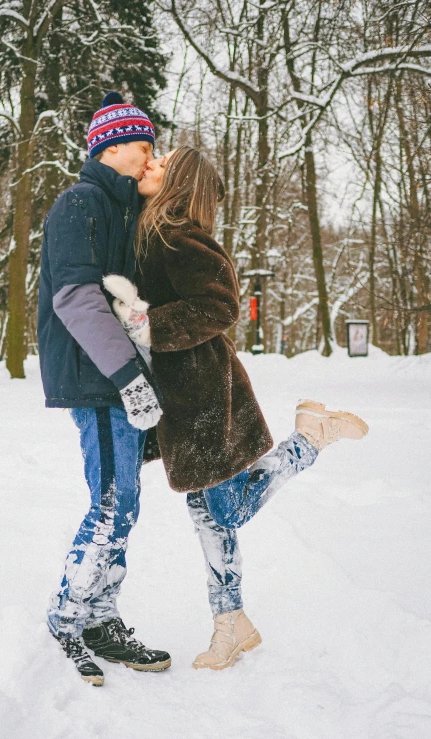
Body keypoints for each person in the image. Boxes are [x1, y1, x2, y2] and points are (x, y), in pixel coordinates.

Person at [104, 145, 368, 672]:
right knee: (209, 515)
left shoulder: (180, 236)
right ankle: (232, 626)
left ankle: (309, 440)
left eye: (161, 163)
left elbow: (220, 305)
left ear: (179, 182)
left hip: (202, 396)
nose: (148, 166)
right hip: (183, 399)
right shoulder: (151, 229)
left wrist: (148, 325)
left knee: (224, 511)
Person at [37, 92, 170, 687]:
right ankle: (69, 616)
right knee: (112, 504)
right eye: (145, 147)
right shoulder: (79, 203)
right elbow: (76, 299)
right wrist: (128, 377)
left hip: (118, 380)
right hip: (97, 380)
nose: (150, 158)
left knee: (125, 505)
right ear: (113, 147)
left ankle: (99, 616)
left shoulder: (122, 212)